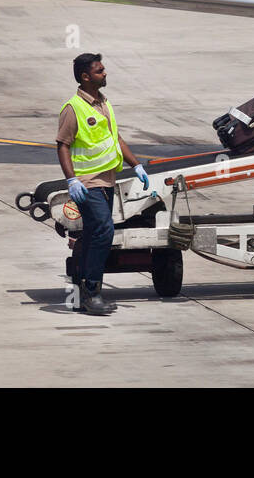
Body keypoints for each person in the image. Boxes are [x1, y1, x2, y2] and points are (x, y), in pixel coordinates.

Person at [56, 53, 149, 315]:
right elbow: (62, 145)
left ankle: (79, 292)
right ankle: (92, 291)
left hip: (107, 180)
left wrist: (136, 165)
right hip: (87, 183)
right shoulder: (73, 108)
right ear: (85, 76)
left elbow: (115, 137)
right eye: (100, 71)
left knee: (92, 234)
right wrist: (71, 179)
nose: (105, 73)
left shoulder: (103, 103)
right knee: (104, 231)